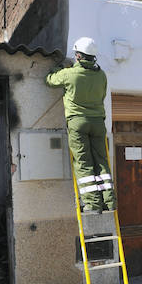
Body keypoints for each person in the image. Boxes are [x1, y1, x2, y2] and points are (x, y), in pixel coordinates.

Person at [46, 36, 116, 213]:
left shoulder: (70, 74)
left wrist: (59, 67)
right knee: (102, 161)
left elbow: (50, 80)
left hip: (78, 122)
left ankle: (92, 204)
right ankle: (109, 201)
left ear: (78, 56)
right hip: (98, 123)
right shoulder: (102, 75)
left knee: (83, 162)